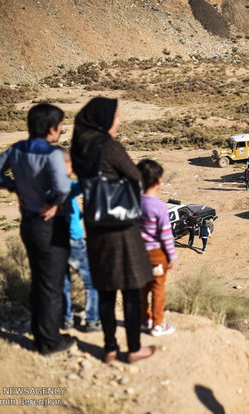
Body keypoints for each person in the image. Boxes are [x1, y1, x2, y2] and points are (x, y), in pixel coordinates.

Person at [0, 103, 75, 355]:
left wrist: (17, 189)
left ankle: (41, 332)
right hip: (50, 225)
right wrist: (53, 204)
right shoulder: (52, 154)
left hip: (29, 223)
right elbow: (63, 187)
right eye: (59, 126)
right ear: (51, 129)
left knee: (39, 280)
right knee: (53, 284)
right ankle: (49, 342)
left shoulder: (16, 149)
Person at [71, 97, 154, 364]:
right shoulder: (109, 147)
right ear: (104, 119)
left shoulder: (79, 147)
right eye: (116, 117)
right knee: (130, 289)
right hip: (121, 225)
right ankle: (133, 349)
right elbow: (136, 177)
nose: (119, 121)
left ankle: (108, 348)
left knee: (106, 290)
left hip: (95, 225)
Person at [58, 148, 101, 333]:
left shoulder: (46, 185)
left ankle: (66, 319)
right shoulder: (66, 185)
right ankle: (92, 320)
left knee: (63, 283)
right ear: (67, 166)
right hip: (74, 240)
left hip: (55, 241)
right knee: (91, 282)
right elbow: (84, 185)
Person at [137, 159, 177, 337]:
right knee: (158, 288)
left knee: (142, 289)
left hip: (137, 254)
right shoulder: (159, 207)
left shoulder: (133, 202)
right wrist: (172, 256)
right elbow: (166, 235)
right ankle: (158, 324)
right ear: (159, 181)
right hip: (156, 255)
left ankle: (144, 321)